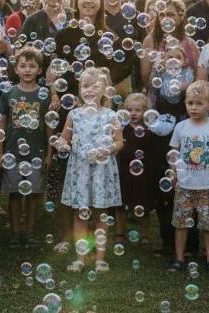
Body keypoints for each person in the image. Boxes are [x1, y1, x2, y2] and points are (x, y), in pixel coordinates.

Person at [55, 67, 123, 273]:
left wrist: (108, 149)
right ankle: (80, 259)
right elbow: (64, 140)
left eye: (95, 86)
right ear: (79, 89)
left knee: (102, 214)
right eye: (85, 86)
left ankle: (100, 259)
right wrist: (61, 145)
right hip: (80, 170)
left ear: (105, 89)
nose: (90, 90)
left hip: (102, 171)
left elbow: (119, 142)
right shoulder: (74, 115)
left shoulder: (111, 115)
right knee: (80, 214)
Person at [166, 80, 209, 274]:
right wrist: (174, 173)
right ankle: (179, 258)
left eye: (199, 103)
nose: (193, 107)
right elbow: (174, 152)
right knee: (181, 223)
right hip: (184, 184)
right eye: (190, 103)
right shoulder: (181, 127)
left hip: (208, 185)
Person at [0, 47, 47, 247]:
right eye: (23, 66)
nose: (27, 70)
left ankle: (29, 232)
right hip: (12, 152)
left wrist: (49, 153)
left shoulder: (43, 94)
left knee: (34, 195)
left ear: (40, 70)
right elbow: (2, 124)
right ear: (16, 69)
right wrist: (0, 152)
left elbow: (48, 126)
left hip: (37, 152)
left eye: (32, 66)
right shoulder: (9, 92)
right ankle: (15, 233)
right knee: (15, 195)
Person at [115, 93, 154, 247]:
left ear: (145, 112)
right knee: (122, 204)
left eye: (138, 110)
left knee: (143, 203)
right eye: (129, 110)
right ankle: (119, 233)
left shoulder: (150, 130)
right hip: (124, 172)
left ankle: (145, 235)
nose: (133, 113)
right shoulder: (121, 129)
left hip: (144, 174)